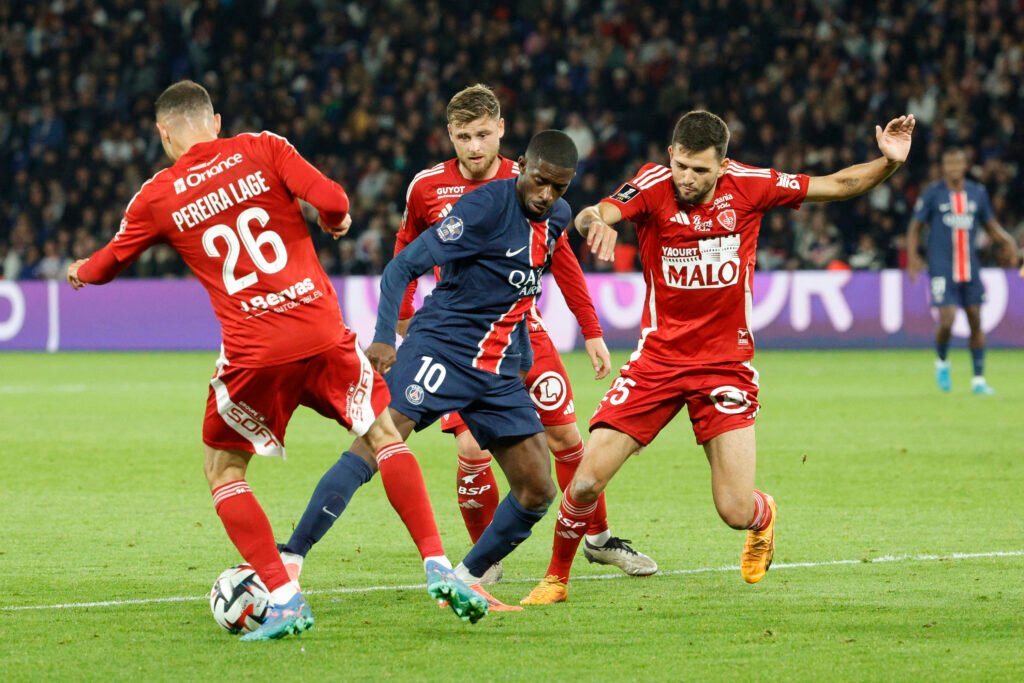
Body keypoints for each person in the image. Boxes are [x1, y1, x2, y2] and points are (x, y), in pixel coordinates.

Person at [65, 80, 486, 640]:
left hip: (255, 351)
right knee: (386, 437)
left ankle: (285, 599)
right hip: (321, 330)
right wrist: (332, 222)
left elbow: (107, 264)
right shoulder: (262, 146)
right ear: (215, 120)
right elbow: (335, 200)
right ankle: (439, 564)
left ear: (164, 133)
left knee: (223, 471)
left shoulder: (157, 195)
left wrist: (77, 269)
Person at [520, 110, 917, 604]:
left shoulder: (751, 185)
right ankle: (556, 580)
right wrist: (596, 222)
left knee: (733, 509)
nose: (687, 179)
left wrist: (890, 163)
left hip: (724, 366)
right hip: (657, 362)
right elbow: (596, 211)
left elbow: (837, 185)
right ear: (671, 155)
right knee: (585, 481)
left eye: (700, 171)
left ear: (723, 166)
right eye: (682, 165)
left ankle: (762, 515)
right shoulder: (651, 184)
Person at [278, 84, 654, 588]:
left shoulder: (557, 216)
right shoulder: (478, 208)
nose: (546, 195)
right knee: (374, 446)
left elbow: (528, 292)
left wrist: (558, 343)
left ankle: (466, 575)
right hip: (442, 348)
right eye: (540, 182)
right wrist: (387, 335)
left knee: (537, 488)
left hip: (498, 368)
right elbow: (401, 265)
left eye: (558, 188)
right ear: (522, 166)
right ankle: (291, 556)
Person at [906, 148, 1019, 394]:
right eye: (949, 162)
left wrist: (1008, 241)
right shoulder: (933, 193)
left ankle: (978, 380)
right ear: (944, 166)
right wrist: (913, 257)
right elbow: (915, 226)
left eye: (958, 162)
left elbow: (990, 225)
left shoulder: (977, 193)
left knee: (975, 321)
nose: (954, 167)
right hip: (941, 267)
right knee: (946, 320)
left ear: (965, 165)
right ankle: (942, 362)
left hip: (970, 268)